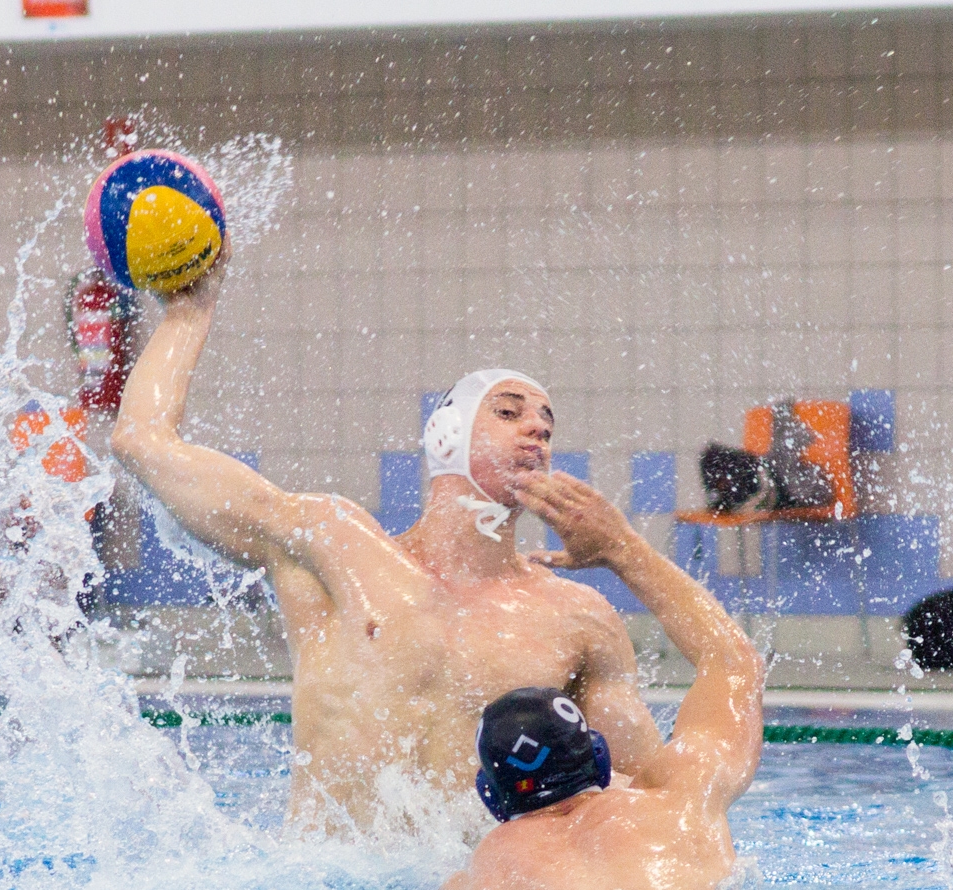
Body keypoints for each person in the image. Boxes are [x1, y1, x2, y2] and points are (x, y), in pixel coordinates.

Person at [111, 246, 663, 833]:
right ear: (445, 435)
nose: (537, 429)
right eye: (508, 412)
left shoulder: (577, 617)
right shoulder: (332, 544)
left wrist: (629, 554)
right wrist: (190, 310)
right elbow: (142, 442)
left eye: (547, 425)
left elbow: (655, 796)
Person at [441, 472, 764, 890]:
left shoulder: (473, 880)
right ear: (600, 757)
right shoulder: (682, 796)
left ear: (490, 796)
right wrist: (622, 549)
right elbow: (734, 663)